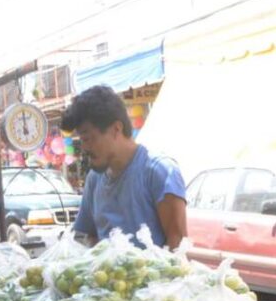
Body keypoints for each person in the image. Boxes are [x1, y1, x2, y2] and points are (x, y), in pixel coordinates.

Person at [62, 85, 187, 249]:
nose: (84, 148)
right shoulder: (94, 179)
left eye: (88, 139)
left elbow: (177, 246)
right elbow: (91, 236)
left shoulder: (160, 172)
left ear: (116, 129)